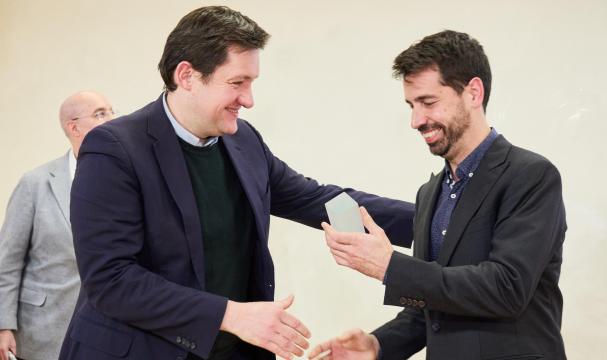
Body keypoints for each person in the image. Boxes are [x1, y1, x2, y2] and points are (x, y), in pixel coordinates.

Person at [58, 6, 414, 360]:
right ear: (187, 76)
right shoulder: (114, 149)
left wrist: (437, 221)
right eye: (236, 83)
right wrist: (231, 315)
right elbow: (111, 280)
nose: (248, 99)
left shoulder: (244, 141)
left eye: (251, 83)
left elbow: (320, 201)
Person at [310, 30, 567, 359]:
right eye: (411, 105)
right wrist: (377, 345)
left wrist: (391, 266)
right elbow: (430, 305)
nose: (416, 120)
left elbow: (507, 288)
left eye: (428, 102)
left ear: (473, 93)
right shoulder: (430, 193)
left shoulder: (530, 175)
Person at [0, 91, 115, 360]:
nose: (111, 119)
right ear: (73, 127)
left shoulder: (123, 181)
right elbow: (8, 261)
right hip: (44, 331)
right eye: (100, 114)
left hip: (105, 331)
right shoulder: (36, 183)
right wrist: (3, 324)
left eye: (111, 111)